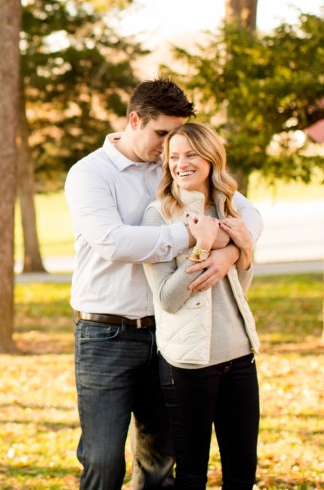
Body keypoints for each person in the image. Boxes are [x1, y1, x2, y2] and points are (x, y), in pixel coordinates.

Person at [64, 79, 262, 490]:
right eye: (161, 134)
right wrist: (194, 238)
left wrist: (227, 254)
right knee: (102, 461)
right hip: (106, 333)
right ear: (134, 120)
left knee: (159, 461)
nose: (168, 147)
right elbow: (113, 242)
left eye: (174, 136)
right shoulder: (90, 174)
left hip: (168, 334)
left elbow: (248, 215)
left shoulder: (174, 163)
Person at [141, 123, 260, 490]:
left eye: (190, 154)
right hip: (189, 364)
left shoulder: (228, 206)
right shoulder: (158, 215)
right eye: (173, 157)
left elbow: (237, 288)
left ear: (211, 157)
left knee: (241, 473)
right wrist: (202, 248)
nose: (181, 164)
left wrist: (243, 253)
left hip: (239, 356)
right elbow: (167, 298)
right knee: (191, 476)